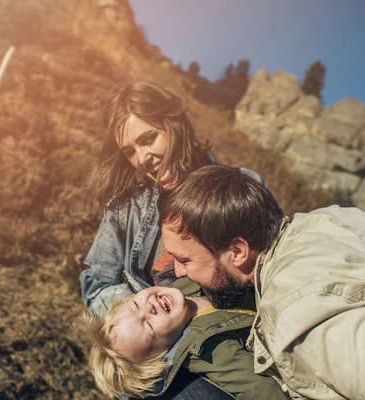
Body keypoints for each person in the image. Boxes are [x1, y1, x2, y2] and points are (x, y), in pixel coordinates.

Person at [159, 165, 365, 399]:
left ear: (237, 251)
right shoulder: (330, 219)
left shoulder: (299, 310)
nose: (178, 272)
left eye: (185, 261)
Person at [79, 81, 262, 399]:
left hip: (225, 338)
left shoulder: (239, 189)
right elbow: (97, 283)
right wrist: (142, 323)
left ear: (174, 122)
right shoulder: (129, 205)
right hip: (160, 344)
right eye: (129, 151)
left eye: (147, 139)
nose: (140, 158)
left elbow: (264, 274)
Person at [83, 285, 289, 399]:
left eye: (136, 304)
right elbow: (262, 391)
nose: (150, 308)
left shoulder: (183, 281)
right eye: (149, 326)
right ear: (164, 352)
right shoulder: (207, 351)